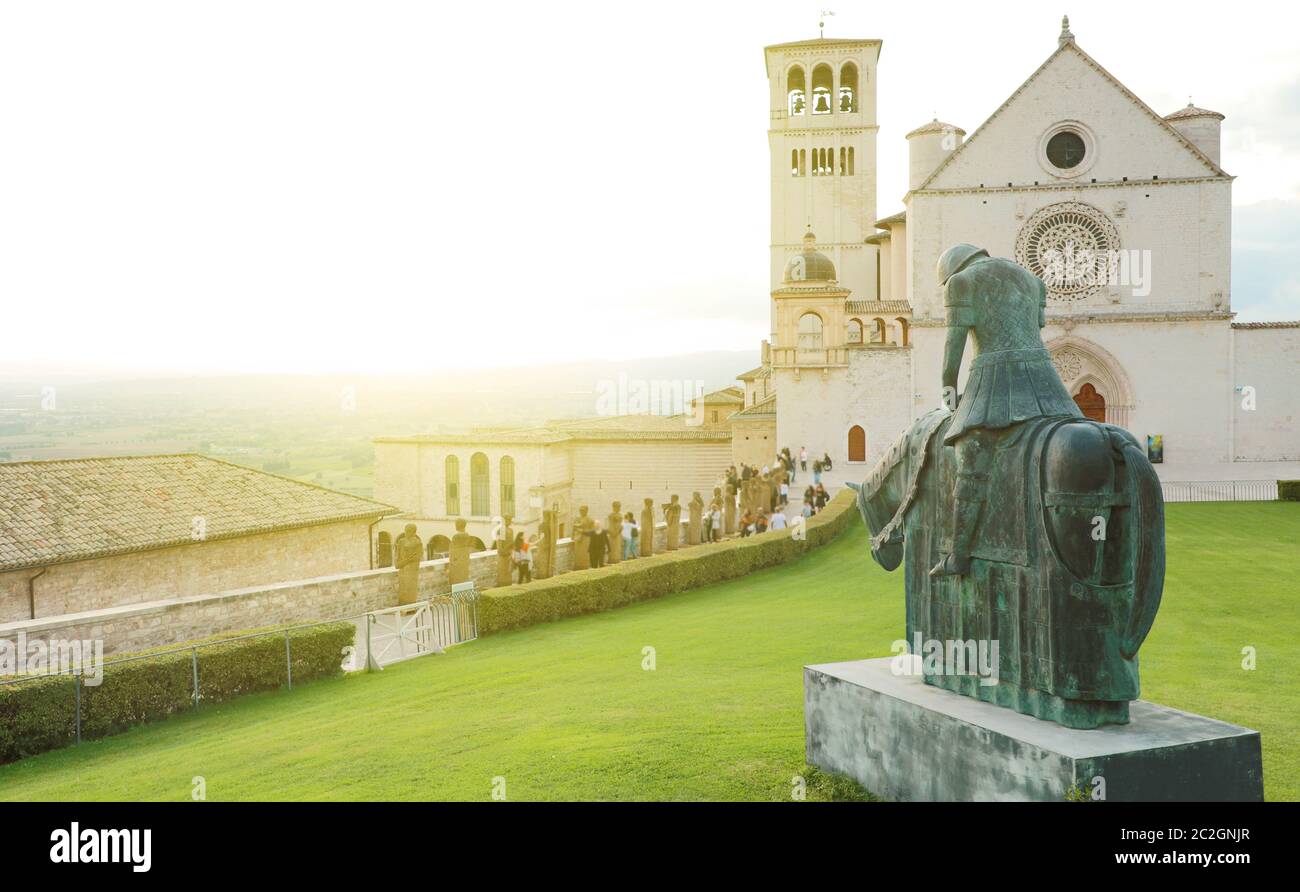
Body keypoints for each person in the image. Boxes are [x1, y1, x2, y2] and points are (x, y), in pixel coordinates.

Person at [929, 243, 1082, 577]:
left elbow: (951, 354)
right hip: (1046, 384)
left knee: (971, 459)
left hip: (995, 381)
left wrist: (950, 398)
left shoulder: (961, 282)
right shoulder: (1032, 280)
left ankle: (958, 556)